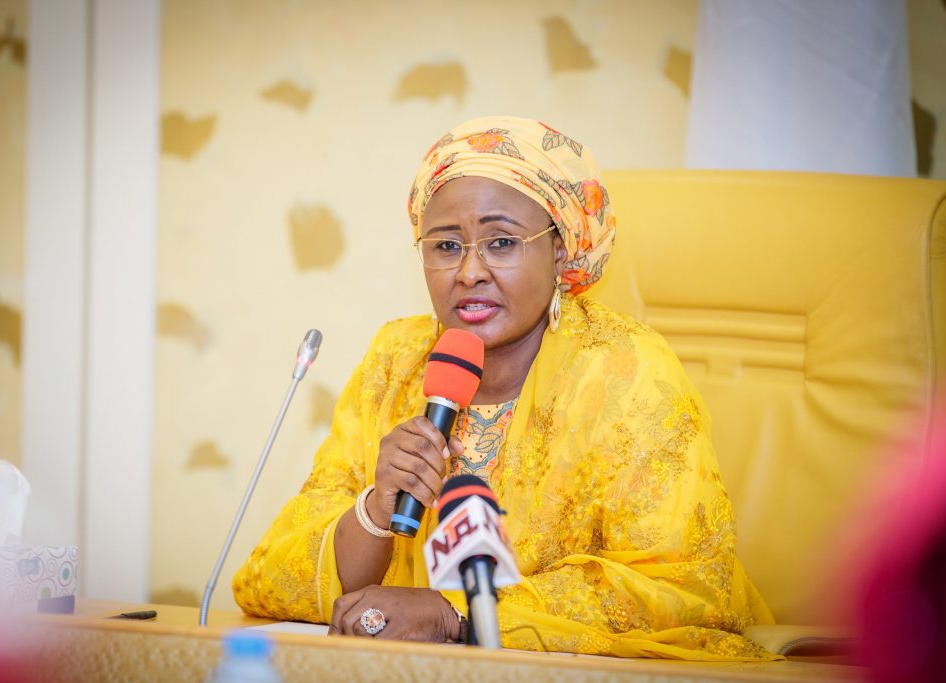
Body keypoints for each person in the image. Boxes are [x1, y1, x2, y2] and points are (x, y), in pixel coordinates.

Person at [233, 116, 777, 660]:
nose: (469, 271)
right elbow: (273, 574)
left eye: (500, 241)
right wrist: (375, 510)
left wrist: (455, 614)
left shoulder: (626, 371)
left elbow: (684, 590)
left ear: (560, 251)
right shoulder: (394, 360)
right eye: (446, 246)